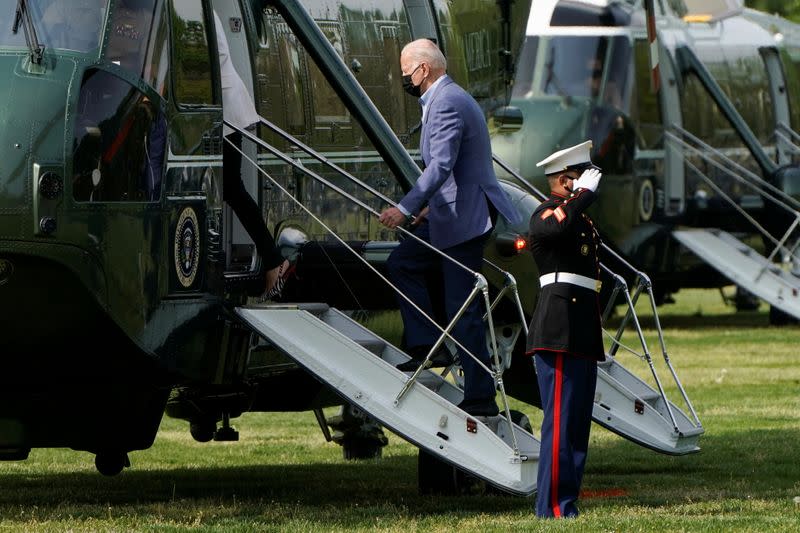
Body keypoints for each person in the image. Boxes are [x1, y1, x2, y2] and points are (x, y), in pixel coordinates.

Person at [378, 39, 521, 417]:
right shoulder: (447, 99)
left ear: (423, 70)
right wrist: (428, 209)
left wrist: (406, 209)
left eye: (405, 71)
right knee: (403, 263)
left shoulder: (446, 104)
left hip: (466, 218)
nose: (403, 79)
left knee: (463, 307)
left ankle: (481, 394)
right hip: (452, 213)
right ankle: (427, 346)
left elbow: (440, 166)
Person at [525, 140, 604, 518]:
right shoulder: (545, 214)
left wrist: (581, 198)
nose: (586, 182)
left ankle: (567, 501)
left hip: (581, 329)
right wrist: (583, 195)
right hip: (557, 328)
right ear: (563, 180)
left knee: (576, 426)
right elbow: (556, 231)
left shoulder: (578, 219)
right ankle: (553, 507)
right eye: (578, 176)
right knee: (559, 424)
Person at [213, 11, 290, 298]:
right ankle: (272, 259)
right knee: (231, 188)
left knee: (231, 187)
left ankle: (273, 259)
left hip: (224, 109)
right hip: (224, 107)